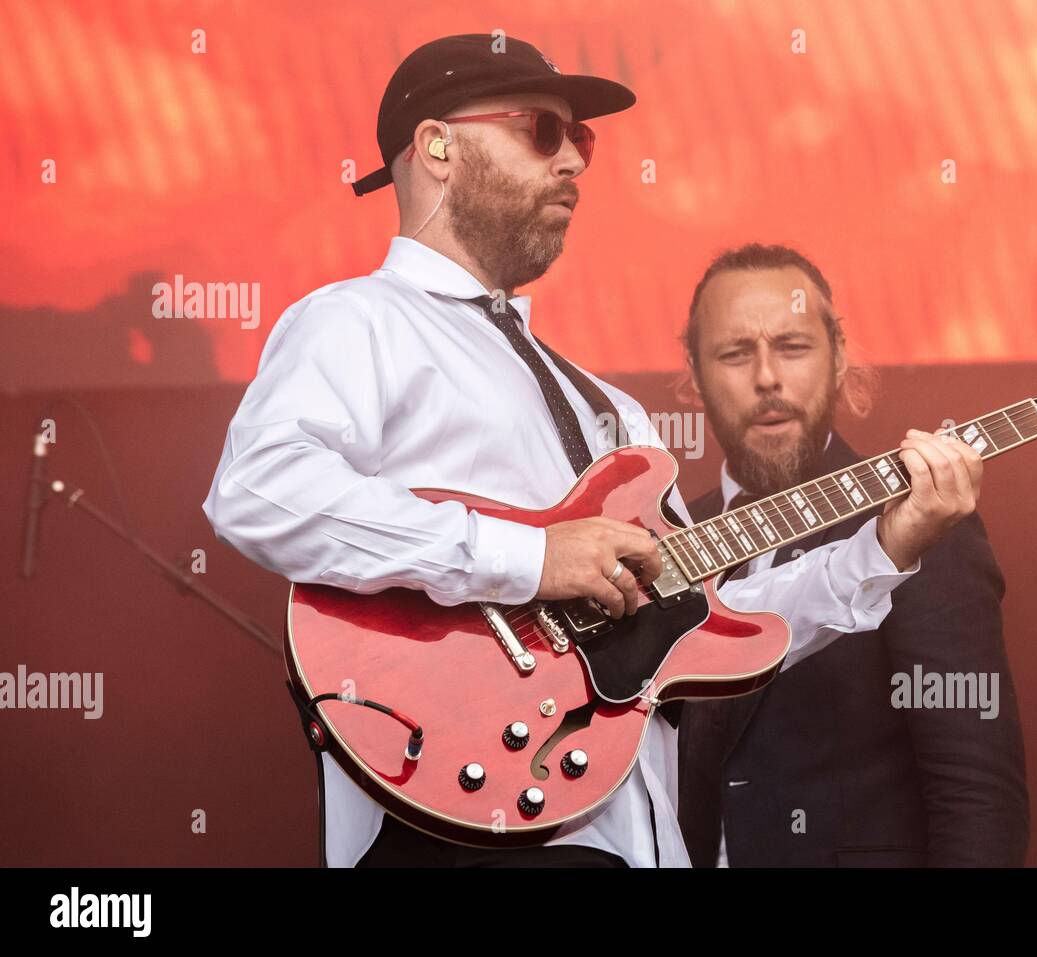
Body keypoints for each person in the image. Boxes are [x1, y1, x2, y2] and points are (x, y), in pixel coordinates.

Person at [202, 34, 980, 867]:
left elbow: (712, 617)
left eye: (585, 141)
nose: (573, 160)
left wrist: (884, 547)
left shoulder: (607, 408)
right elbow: (259, 489)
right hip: (456, 824)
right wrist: (532, 558)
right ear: (437, 147)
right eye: (543, 130)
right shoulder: (356, 322)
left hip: (630, 833)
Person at [675, 243, 1029, 866]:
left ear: (839, 360)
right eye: (734, 353)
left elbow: (976, 794)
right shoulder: (674, 539)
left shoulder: (918, 520)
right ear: (695, 375)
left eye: (793, 346)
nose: (766, 378)